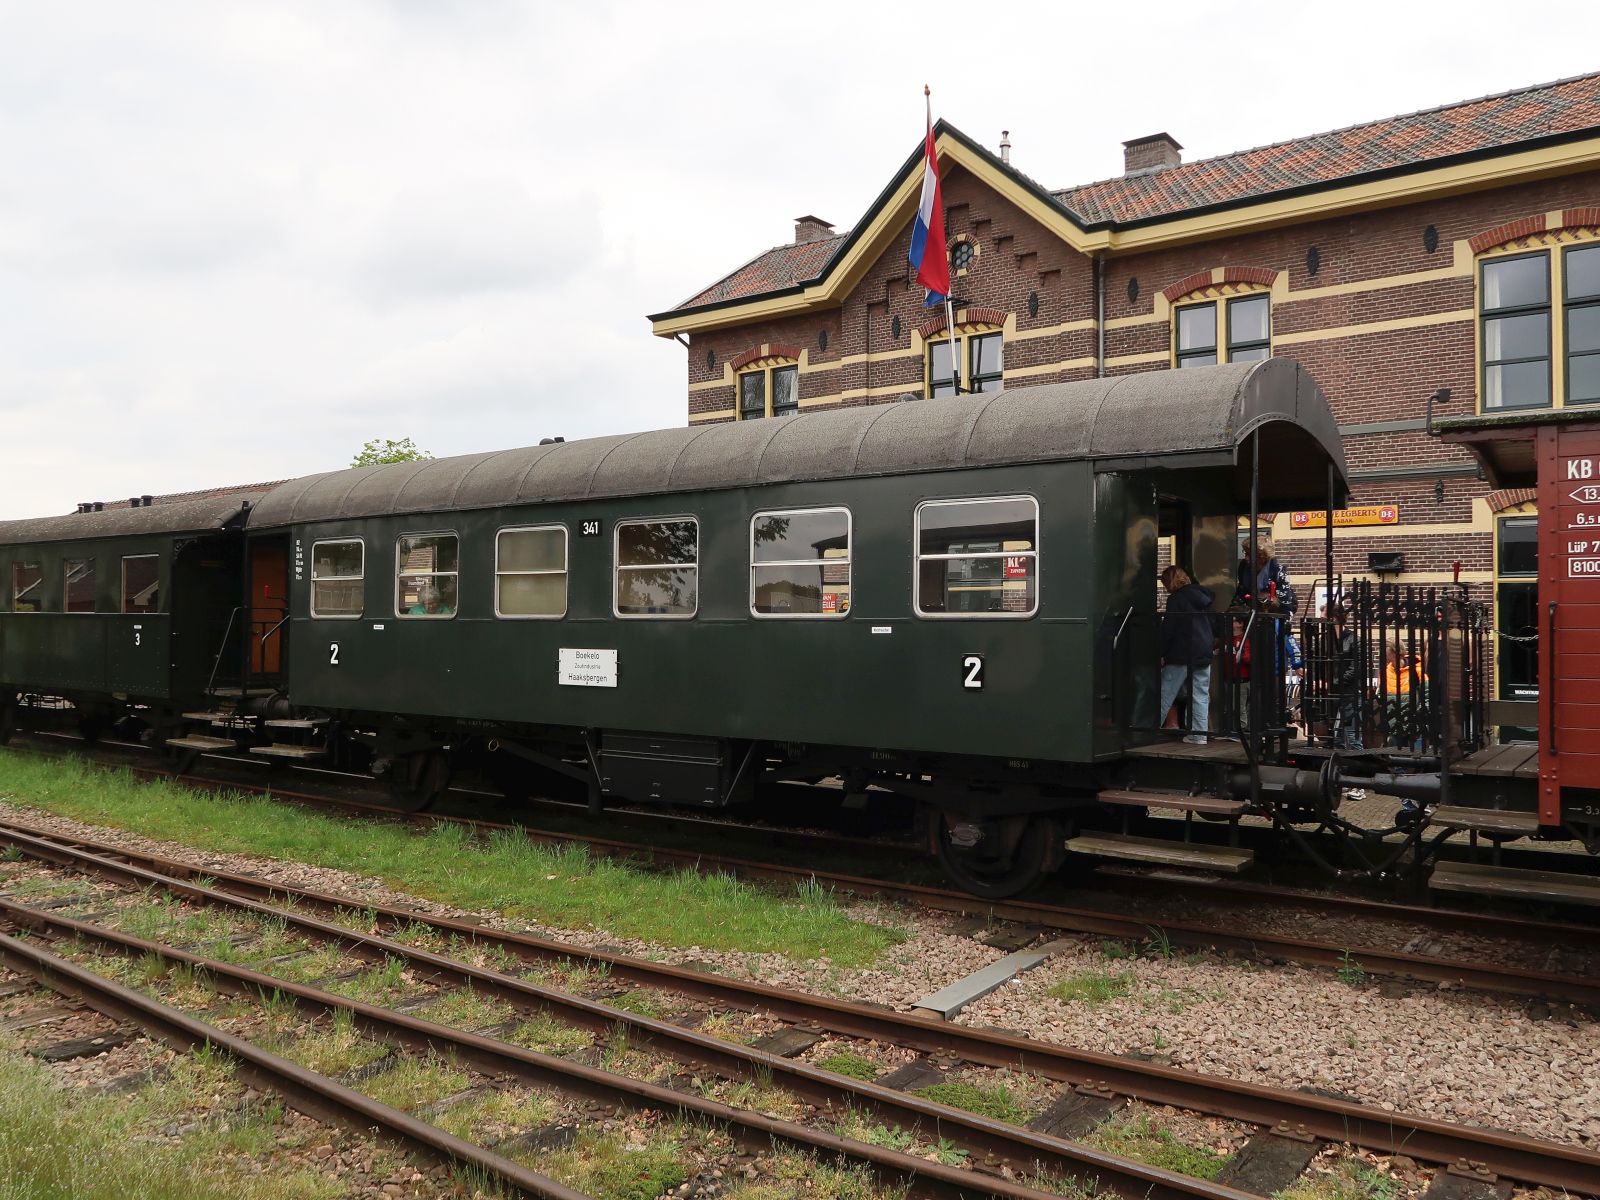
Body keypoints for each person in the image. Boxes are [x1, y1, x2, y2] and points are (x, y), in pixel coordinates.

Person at [1157, 565, 1216, 745]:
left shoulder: (1176, 599)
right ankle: (1199, 736)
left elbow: (1169, 628)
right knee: (1200, 694)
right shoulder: (1203, 597)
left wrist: (1161, 651)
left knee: (1165, 692)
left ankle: (1146, 731)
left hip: (1182, 651)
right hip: (1203, 651)